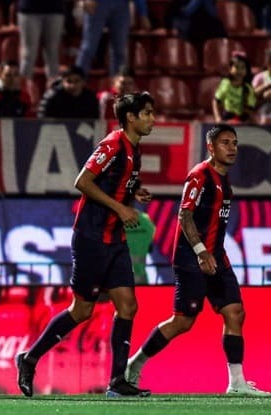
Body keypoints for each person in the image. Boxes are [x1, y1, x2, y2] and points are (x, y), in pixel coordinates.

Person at [16, 91, 155, 398]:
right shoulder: (113, 143)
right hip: (92, 237)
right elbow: (83, 180)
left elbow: (116, 184)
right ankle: (29, 359)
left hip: (115, 239)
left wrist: (134, 194)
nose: (152, 119)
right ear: (130, 117)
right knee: (81, 311)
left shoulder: (134, 148)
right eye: (147, 113)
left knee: (128, 306)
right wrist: (120, 208)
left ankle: (117, 381)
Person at [126, 124, 271, 397]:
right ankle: (134, 365)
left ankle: (237, 383)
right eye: (225, 143)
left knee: (235, 312)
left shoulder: (224, 180)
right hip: (192, 257)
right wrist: (201, 250)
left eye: (234, 143)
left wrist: (211, 252)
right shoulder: (200, 175)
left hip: (217, 256)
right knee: (183, 321)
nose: (232, 148)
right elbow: (184, 215)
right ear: (211, 148)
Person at [76, 0, 150, 78]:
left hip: (121, 6)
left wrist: (143, 13)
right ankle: (76, 82)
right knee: (88, 48)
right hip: (97, 4)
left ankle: (118, 86)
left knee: (119, 50)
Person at [16, 0, 65, 105]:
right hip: (29, 9)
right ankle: (22, 96)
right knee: (28, 55)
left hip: (55, 9)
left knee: (52, 55)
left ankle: (54, 97)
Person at [212, 52, 256, 124]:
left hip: (242, 121)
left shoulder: (248, 88)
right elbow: (216, 102)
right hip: (227, 117)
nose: (239, 71)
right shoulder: (226, 83)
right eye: (237, 67)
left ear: (247, 71)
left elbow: (250, 109)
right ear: (230, 69)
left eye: (243, 68)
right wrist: (217, 117)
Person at [125, 210, 156, 284]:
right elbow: (152, 230)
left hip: (127, 275)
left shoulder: (123, 217)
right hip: (139, 276)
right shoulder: (145, 219)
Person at [252, 48, 271, 124]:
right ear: (268, 64)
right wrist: (267, 85)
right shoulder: (260, 77)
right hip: (262, 107)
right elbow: (252, 94)